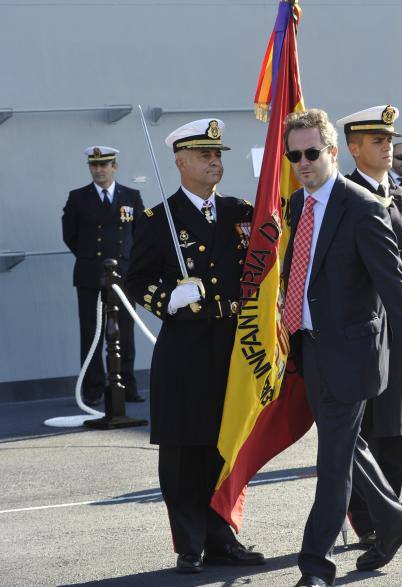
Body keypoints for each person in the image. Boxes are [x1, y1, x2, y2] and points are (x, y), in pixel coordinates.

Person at [281, 108, 402, 587]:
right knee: (350, 448)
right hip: (310, 349)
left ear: (330, 151)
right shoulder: (296, 207)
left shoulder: (363, 207)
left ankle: (315, 565)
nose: (302, 163)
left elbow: (397, 290)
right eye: (294, 155)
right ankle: (394, 521)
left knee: (331, 459)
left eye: (310, 153)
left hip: (352, 355)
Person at [125, 119, 266, 573]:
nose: (214, 162)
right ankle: (190, 544)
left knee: (225, 448)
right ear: (180, 162)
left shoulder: (240, 212)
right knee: (185, 450)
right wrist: (168, 298)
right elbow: (136, 280)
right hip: (185, 350)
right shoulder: (158, 220)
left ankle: (222, 538)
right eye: (204, 155)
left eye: (218, 155)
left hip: (233, 346)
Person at [336, 104, 402, 547]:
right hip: (360, 331)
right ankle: (369, 522)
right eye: (376, 140)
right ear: (353, 147)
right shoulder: (340, 198)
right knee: (364, 433)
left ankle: (390, 515)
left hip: (399, 331)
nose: (387, 147)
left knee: (397, 433)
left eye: (389, 139)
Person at [62, 146, 144, 406]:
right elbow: (70, 235)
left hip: (123, 275)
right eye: (94, 166)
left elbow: (140, 233)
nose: (99, 170)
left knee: (126, 332)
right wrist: (91, 259)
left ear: (114, 167)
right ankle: (93, 389)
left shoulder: (131, 196)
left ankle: (127, 385)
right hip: (90, 275)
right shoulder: (78, 198)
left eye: (104, 165)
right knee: (92, 333)